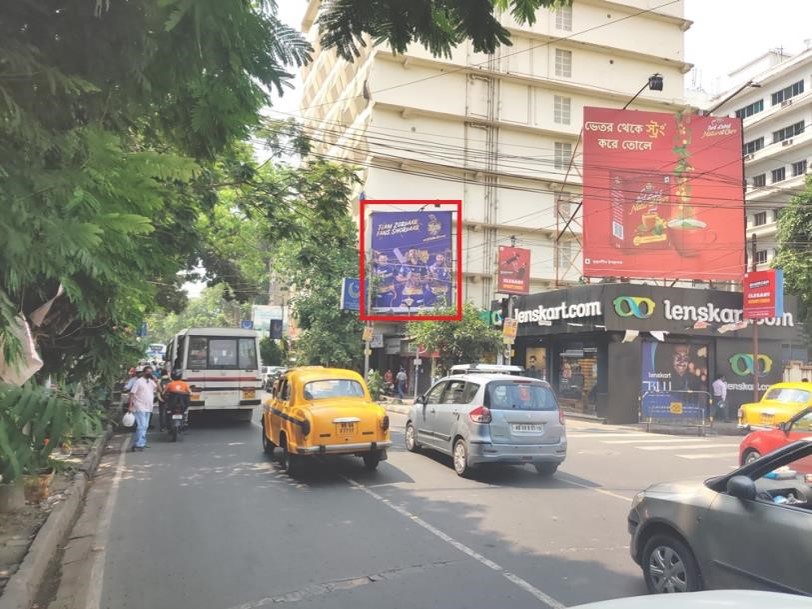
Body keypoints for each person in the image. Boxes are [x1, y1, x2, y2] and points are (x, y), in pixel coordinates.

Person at [128, 365, 157, 451]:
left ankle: (141, 443)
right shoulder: (139, 382)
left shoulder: (151, 382)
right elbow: (132, 393)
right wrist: (130, 406)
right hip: (139, 406)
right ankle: (138, 444)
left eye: (151, 372)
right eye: (148, 371)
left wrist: (157, 381)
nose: (149, 373)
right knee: (141, 426)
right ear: (144, 372)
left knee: (145, 426)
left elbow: (159, 390)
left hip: (149, 407)